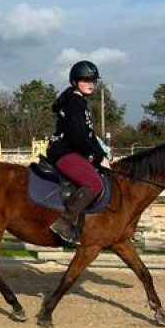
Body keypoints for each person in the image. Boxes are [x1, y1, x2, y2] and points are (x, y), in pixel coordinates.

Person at [46, 60, 111, 246]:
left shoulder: (80, 101)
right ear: (75, 82)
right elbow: (78, 138)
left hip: (73, 150)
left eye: (93, 80)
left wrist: (102, 156)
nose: (90, 83)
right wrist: (97, 158)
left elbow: (89, 137)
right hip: (64, 152)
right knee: (93, 183)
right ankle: (64, 223)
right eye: (85, 80)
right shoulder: (74, 103)